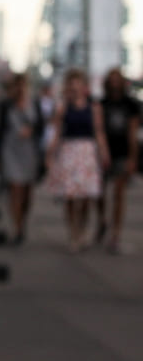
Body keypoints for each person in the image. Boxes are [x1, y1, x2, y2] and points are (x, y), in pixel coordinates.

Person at [45, 68, 110, 252]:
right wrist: (50, 154)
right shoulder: (63, 108)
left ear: (84, 87)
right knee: (70, 196)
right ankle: (73, 232)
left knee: (86, 196)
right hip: (69, 152)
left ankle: (82, 229)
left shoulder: (94, 108)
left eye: (78, 86)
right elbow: (57, 133)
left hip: (87, 153)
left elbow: (99, 132)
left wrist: (104, 152)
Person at [0, 73, 44, 244]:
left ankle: (23, 220)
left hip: (29, 152)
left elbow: (41, 127)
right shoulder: (6, 105)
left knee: (27, 192)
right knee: (15, 188)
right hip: (11, 150)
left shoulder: (34, 104)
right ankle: (17, 228)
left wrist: (32, 130)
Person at [98, 68, 139, 252]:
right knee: (99, 194)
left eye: (117, 80)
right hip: (102, 153)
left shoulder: (130, 105)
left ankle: (116, 233)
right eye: (111, 80)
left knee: (119, 195)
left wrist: (133, 158)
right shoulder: (101, 103)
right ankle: (102, 220)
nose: (114, 84)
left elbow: (133, 132)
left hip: (122, 153)